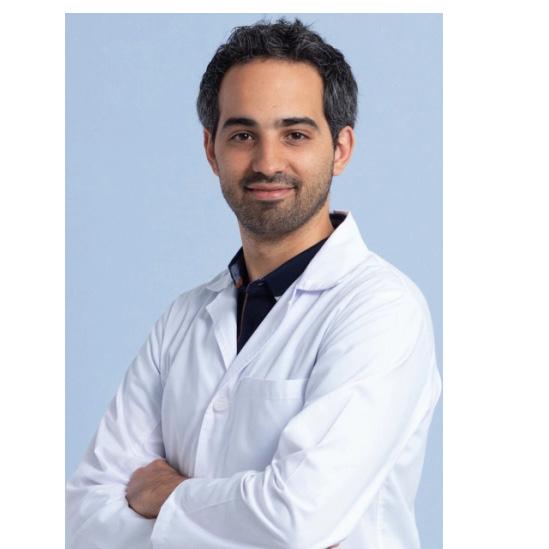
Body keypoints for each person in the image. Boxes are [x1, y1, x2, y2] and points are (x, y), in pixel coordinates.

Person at [67, 18, 441, 549]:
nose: (267, 163)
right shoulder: (183, 319)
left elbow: (297, 519)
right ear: (211, 149)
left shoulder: (381, 311)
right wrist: (241, 518)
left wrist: (165, 494)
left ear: (340, 148)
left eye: (295, 134)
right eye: (243, 135)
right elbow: (84, 515)